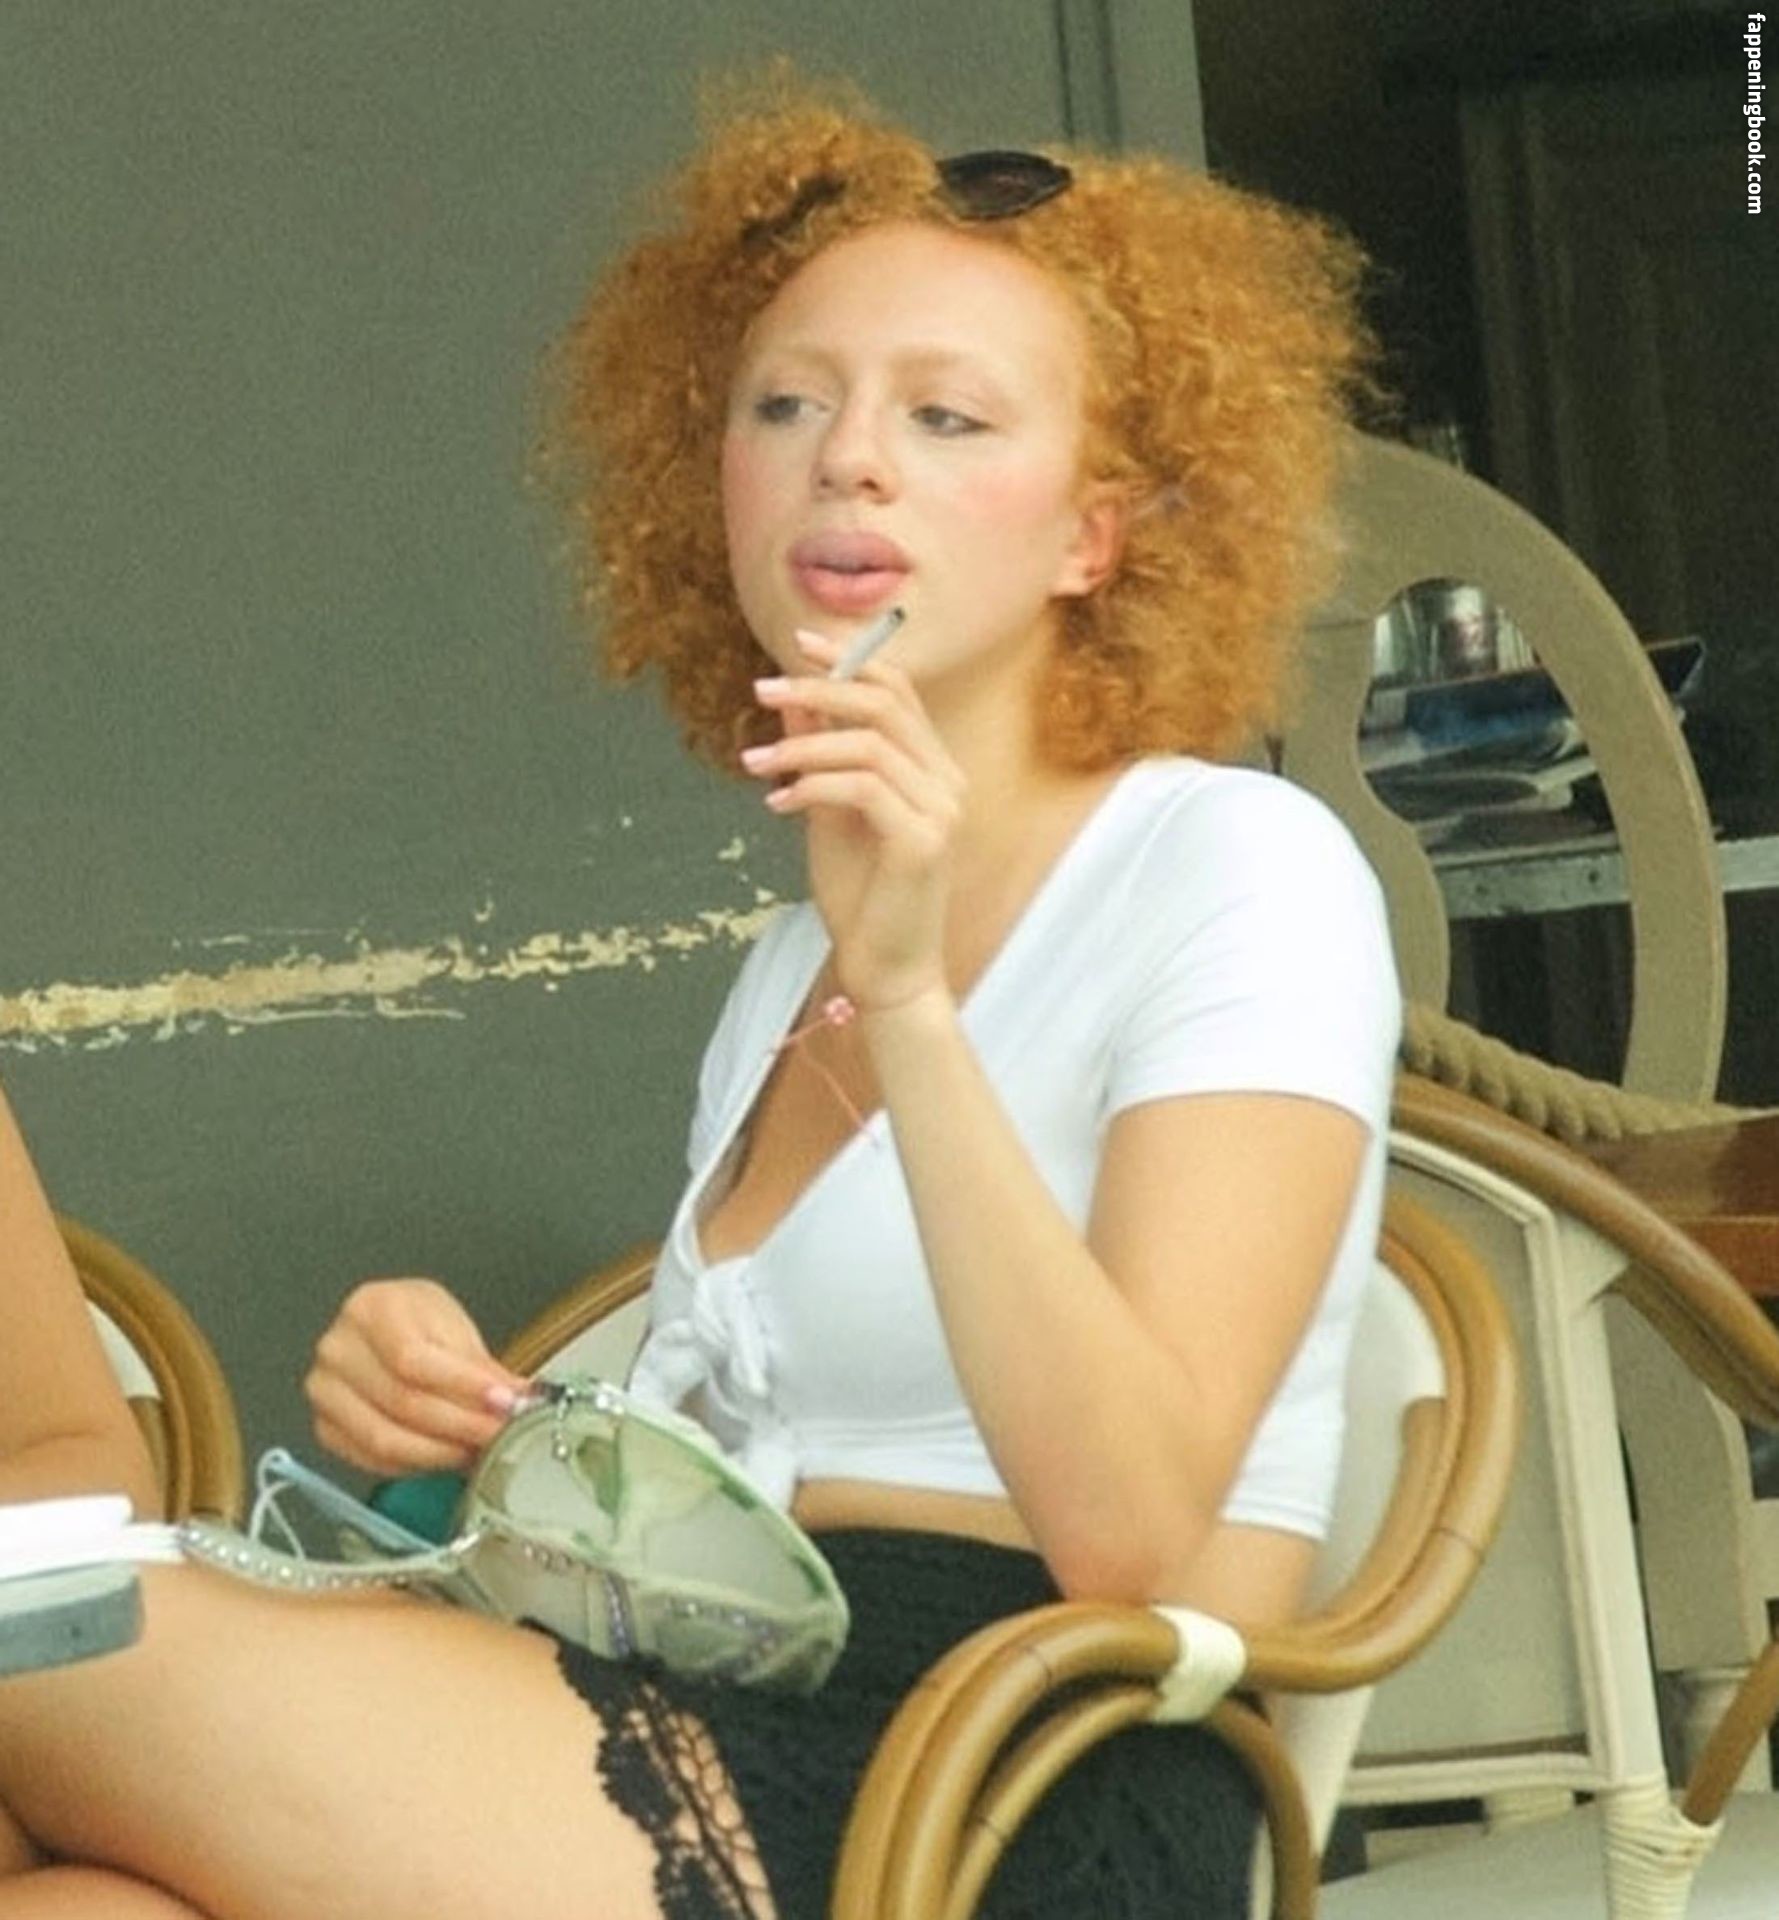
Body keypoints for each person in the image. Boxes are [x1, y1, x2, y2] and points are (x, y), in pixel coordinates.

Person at [0, 66, 1398, 1920]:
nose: (850, 459)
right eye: (785, 403)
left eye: (948, 416)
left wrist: (913, 1006)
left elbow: (1134, 1531)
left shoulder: (1236, 867)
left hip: (1003, 1780)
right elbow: (747, 1490)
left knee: (48, 1627)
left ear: (1097, 532)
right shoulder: (787, 966)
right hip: (702, 1697)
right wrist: (485, 1431)